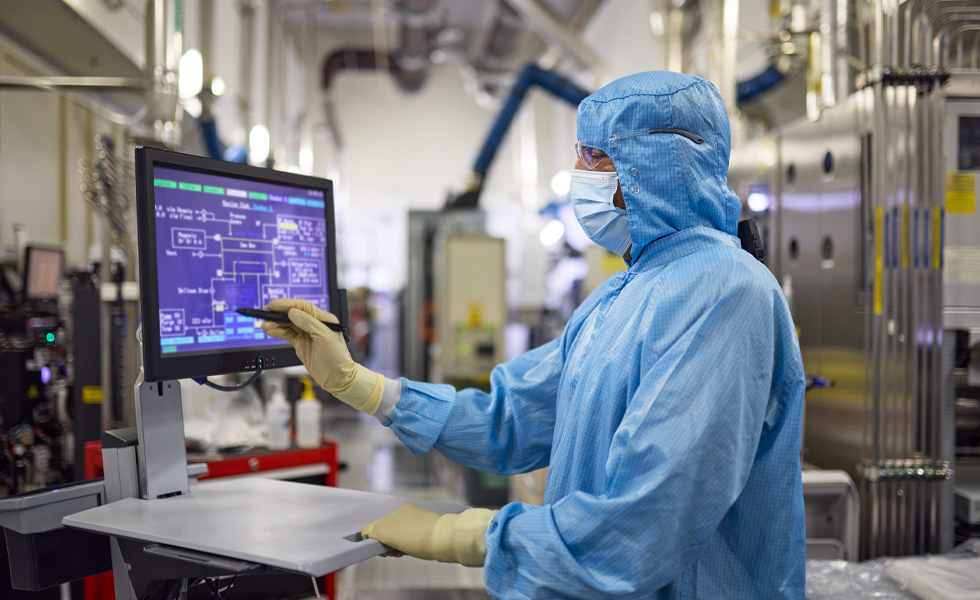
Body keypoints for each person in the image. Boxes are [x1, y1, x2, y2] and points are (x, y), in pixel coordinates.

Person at [263, 70, 806, 599]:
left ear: (655, 164)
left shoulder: (727, 292)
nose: (577, 171)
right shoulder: (618, 295)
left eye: (593, 156)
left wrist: (460, 535)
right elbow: (510, 418)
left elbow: (645, 523)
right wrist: (359, 384)